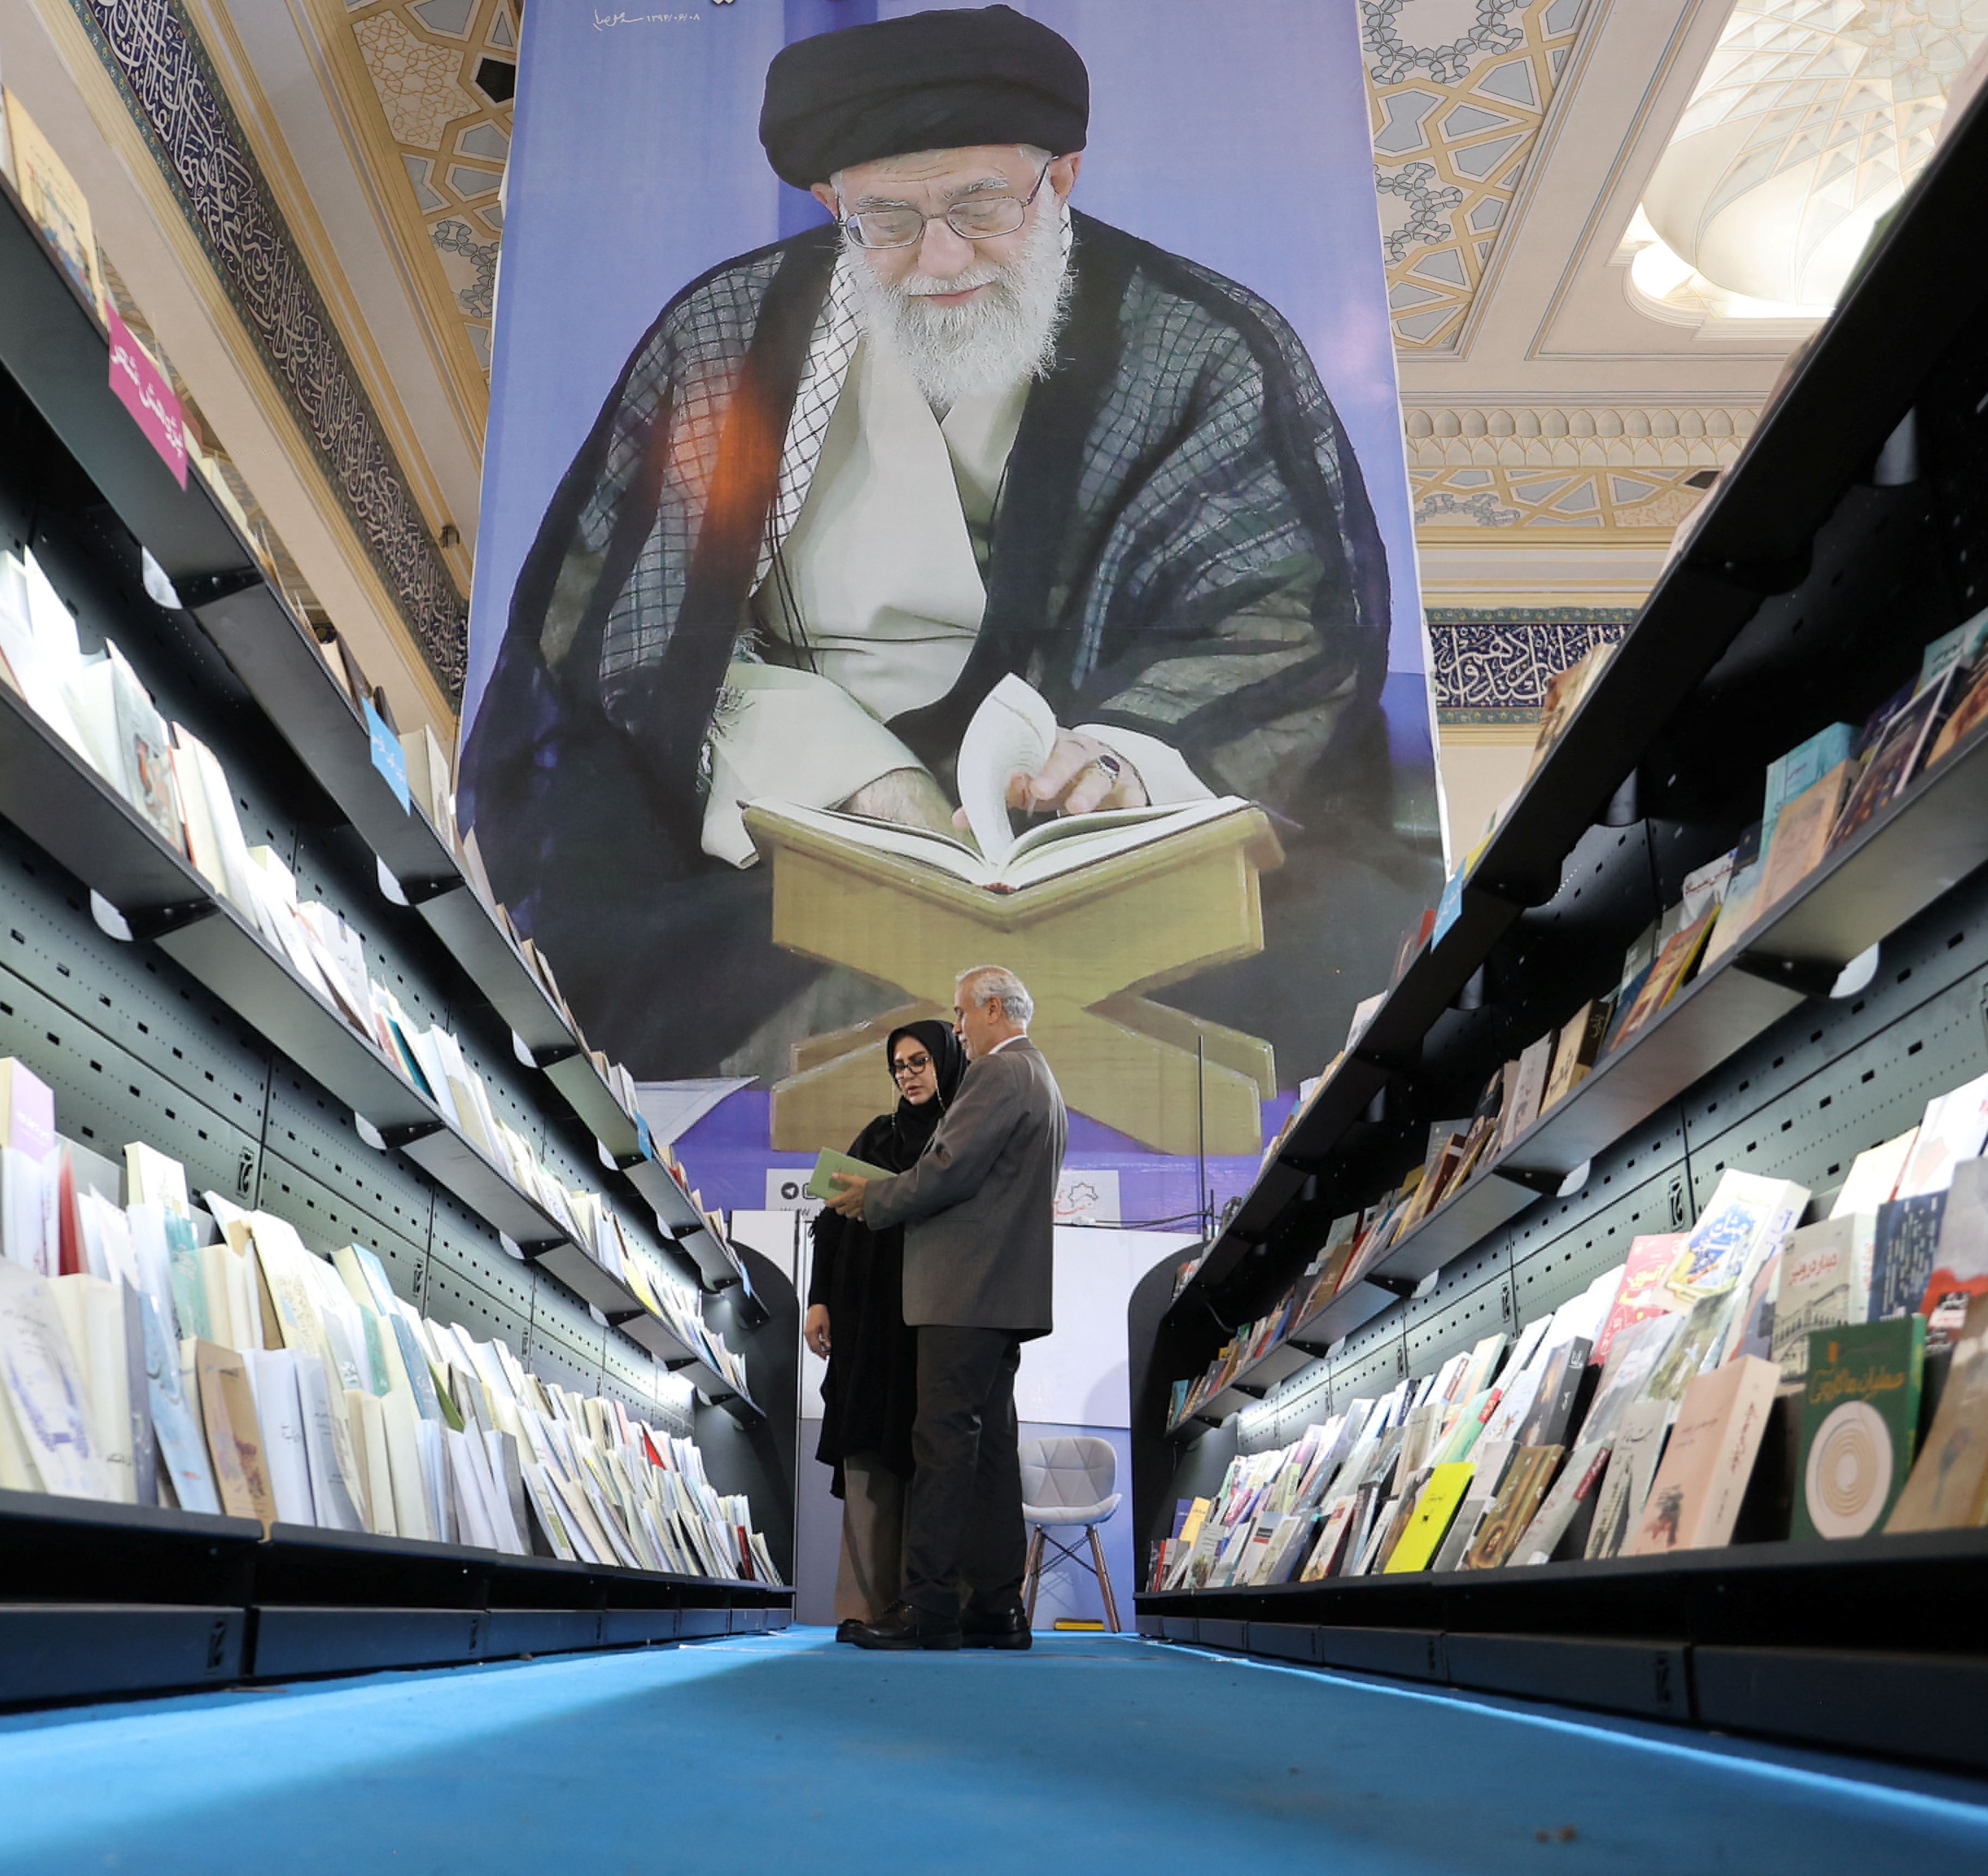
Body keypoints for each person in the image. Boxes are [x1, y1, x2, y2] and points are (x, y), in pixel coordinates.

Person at [464, 5, 1426, 1084]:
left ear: (1059, 179)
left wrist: (1112, 762)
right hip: (785, 816)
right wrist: (860, 779)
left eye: (978, 205)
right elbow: (619, 620)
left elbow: (1278, 612)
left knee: (1323, 936)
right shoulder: (725, 334)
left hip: (1099, 821)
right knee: (608, 936)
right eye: (888, 218)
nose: (939, 256)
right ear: (833, 205)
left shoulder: (1201, 347)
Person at [825, 965, 1063, 1650]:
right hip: (1001, 1296)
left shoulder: (997, 1072)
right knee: (989, 1457)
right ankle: (997, 1606)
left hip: (961, 1292)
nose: (957, 1028)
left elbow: (947, 1170)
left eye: (961, 1013)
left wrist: (871, 1198)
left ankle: (926, 1607)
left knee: (942, 1448)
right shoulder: (1042, 1078)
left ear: (993, 1009)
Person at [804, 1020, 969, 1637]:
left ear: (946, 1061)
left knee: (932, 1456)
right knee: (868, 1454)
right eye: (899, 1065)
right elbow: (831, 1220)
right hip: (867, 1324)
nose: (909, 1074)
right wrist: (819, 1300)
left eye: (920, 1060)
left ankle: (928, 1606)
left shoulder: (962, 1135)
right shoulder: (876, 1134)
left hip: (933, 1321)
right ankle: (866, 1609)